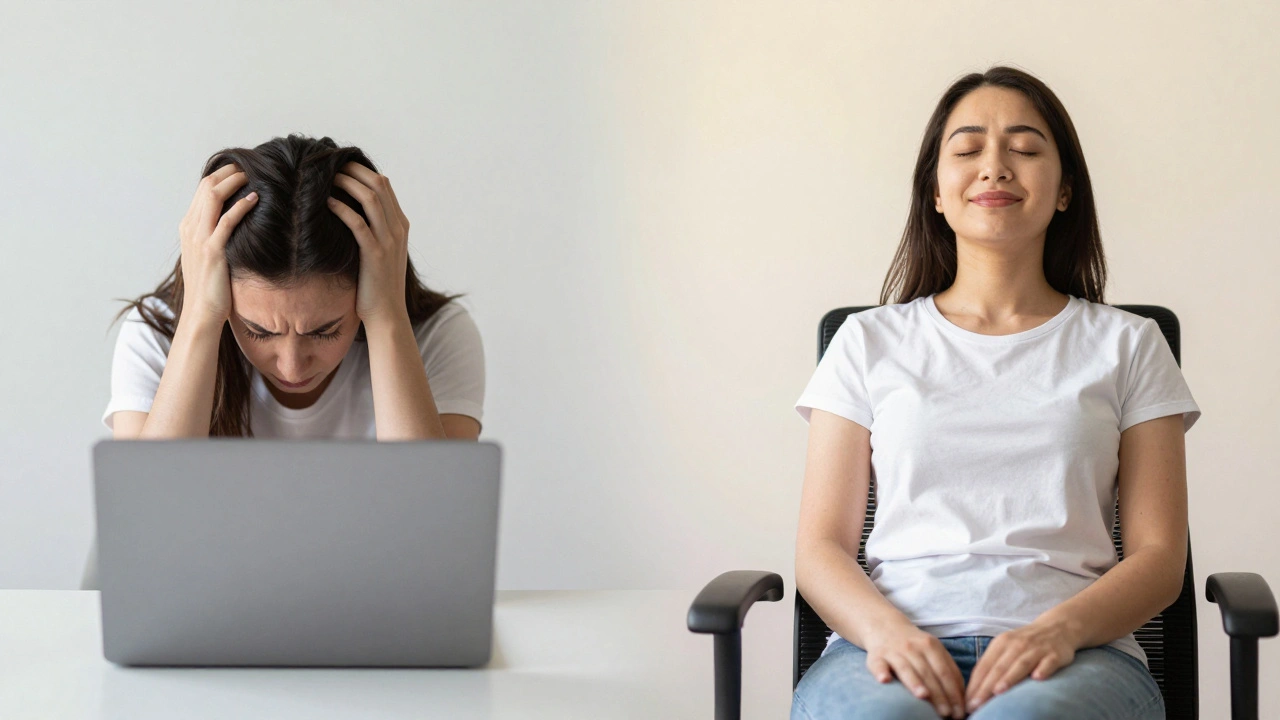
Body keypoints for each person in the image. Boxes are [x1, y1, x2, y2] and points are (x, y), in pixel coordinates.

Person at [791, 67, 1196, 719]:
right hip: (885, 650)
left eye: (1025, 148)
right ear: (936, 192)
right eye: (969, 148)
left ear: (1065, 191)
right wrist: (889, 634)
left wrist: (1055, 632)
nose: (996, 166)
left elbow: (1159, 558)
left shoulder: (1128, 345)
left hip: (1077, 655)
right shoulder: (867, 342)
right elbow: (820, 550)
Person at [83, 134, 485, 589]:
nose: (292, 367)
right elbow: (148, 530)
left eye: (324, 330)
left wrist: (387, 315)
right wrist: (199, 317)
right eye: (259, 331)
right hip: (204, 602)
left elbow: (433, 544)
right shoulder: (158, 334)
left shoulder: (435, 336)